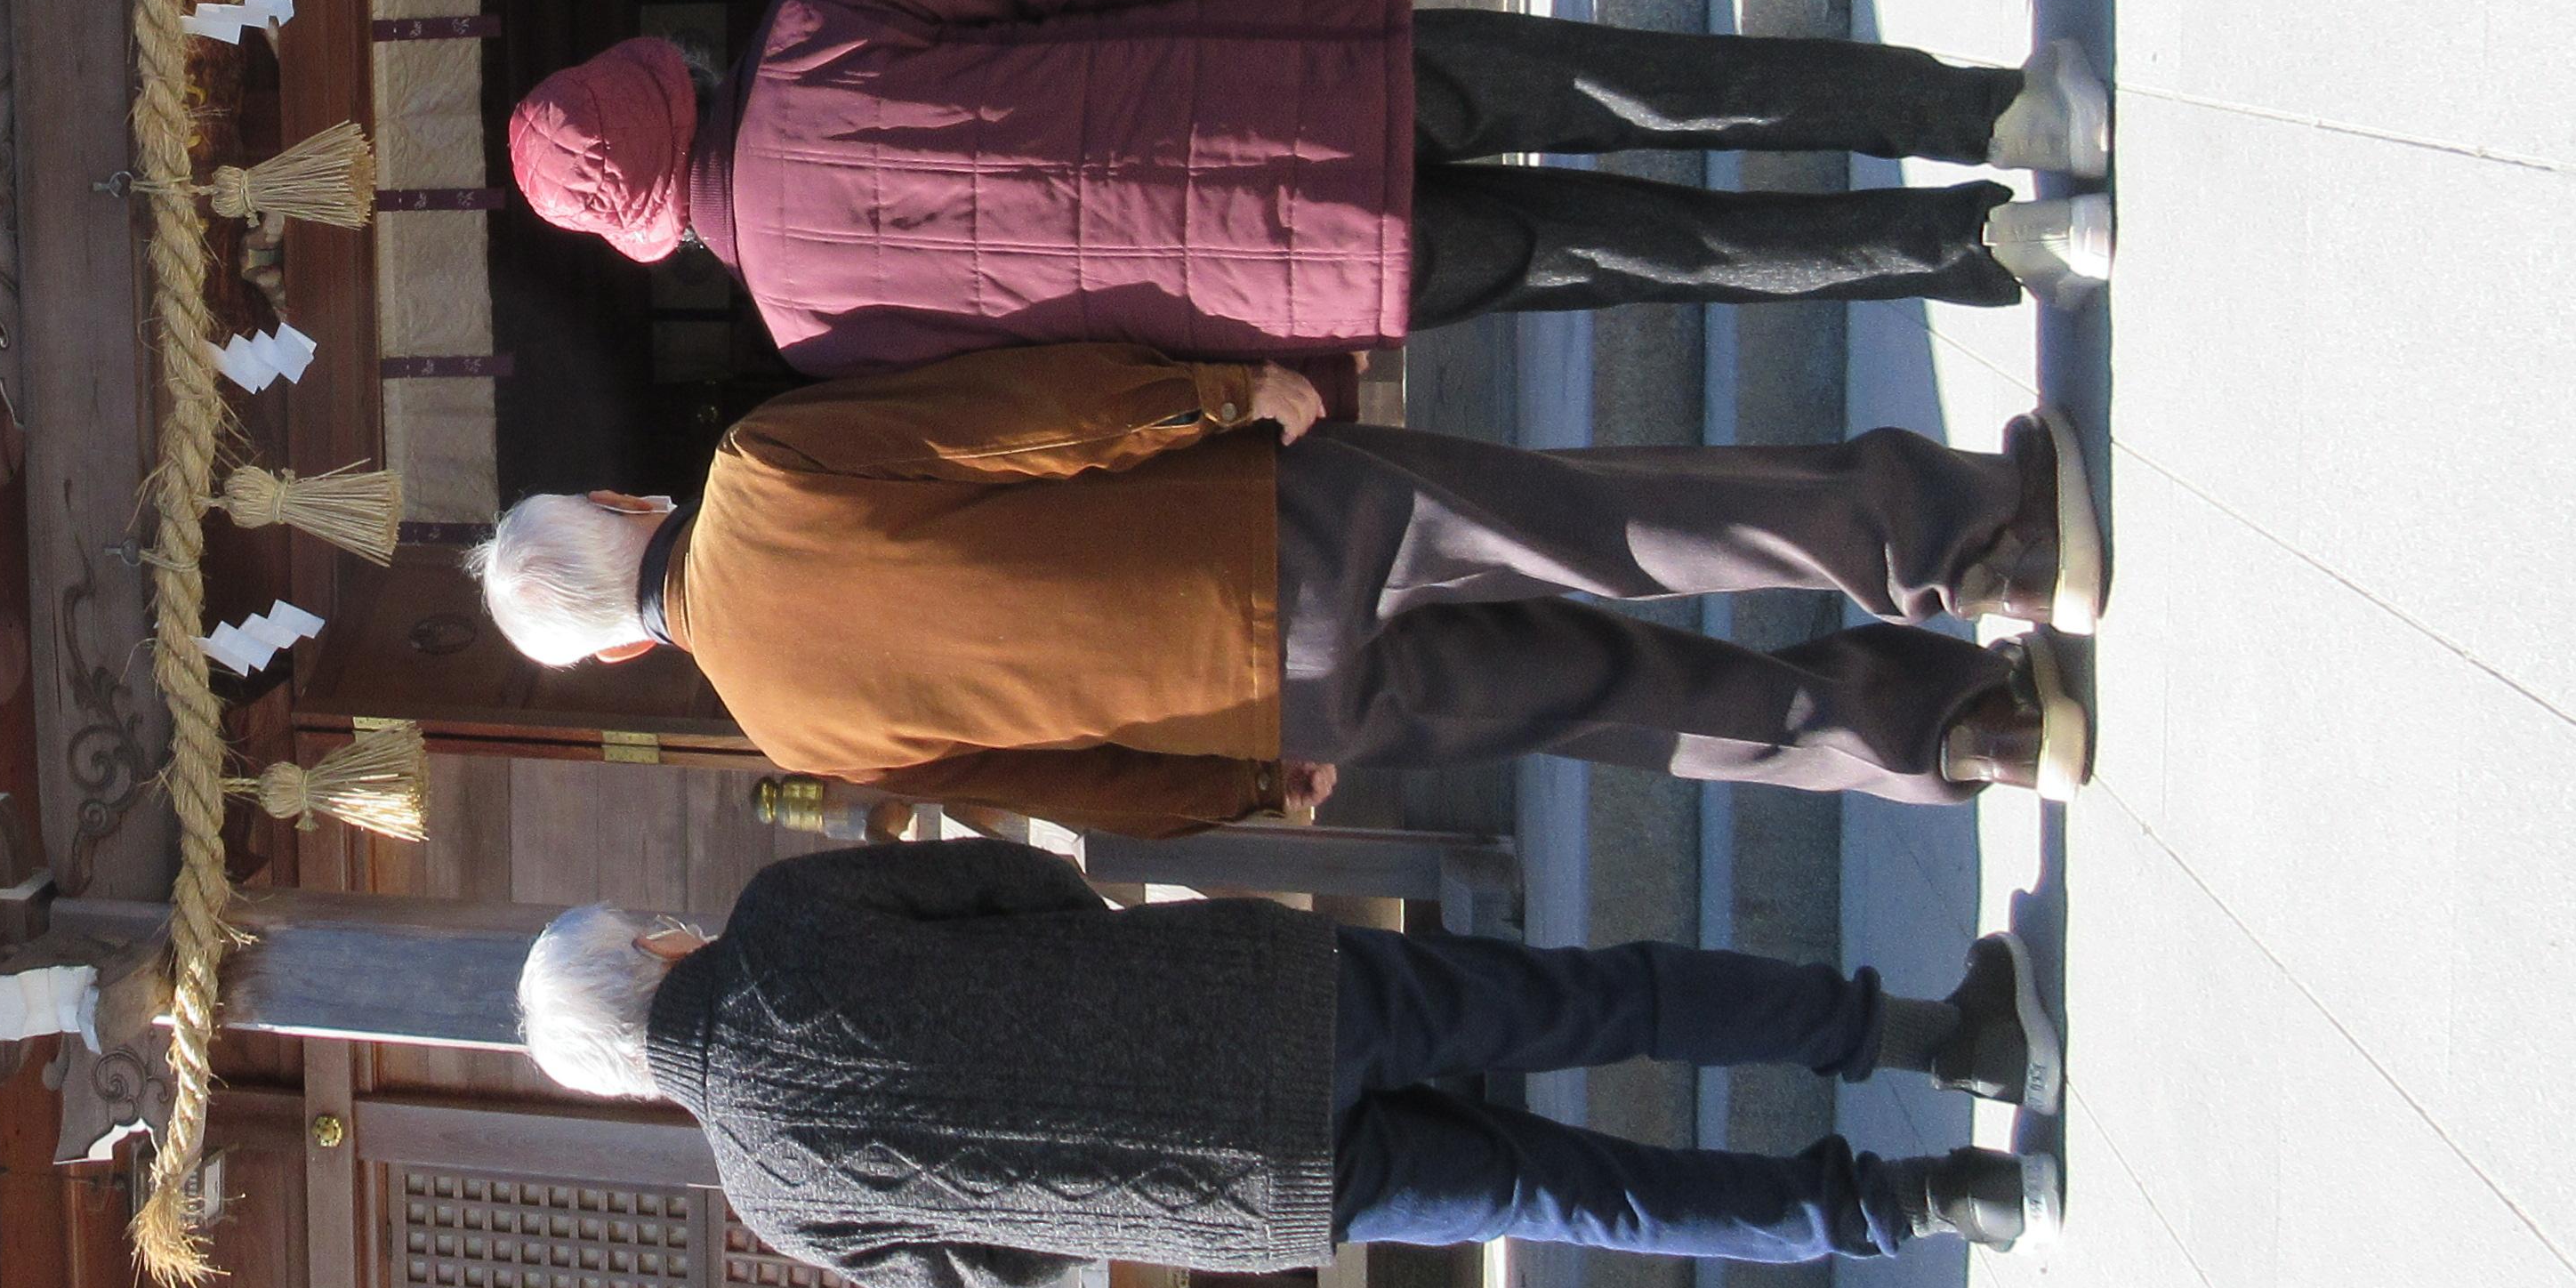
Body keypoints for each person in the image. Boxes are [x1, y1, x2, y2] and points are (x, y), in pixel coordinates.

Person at [471, 342, 2100, 826]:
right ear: (628, 504)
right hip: (1253, 532)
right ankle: (1966, 540)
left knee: (1618, 712)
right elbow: (1014, 427)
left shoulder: (790, 728)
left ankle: (1951, 741)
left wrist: (1249, 781)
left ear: (616, 660)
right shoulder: (758, 470)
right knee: (1610, 527)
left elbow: (1050, 787)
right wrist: (1205, 395)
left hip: (1273, 702)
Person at [503, 0, 2118, 356]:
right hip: (1300, 73)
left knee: (1665, 258)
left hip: (1315, 283)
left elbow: (1067, 380)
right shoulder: (815, 23)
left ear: (641, 231)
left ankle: (1986, 249)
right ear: (665, 86)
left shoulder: (811, 325)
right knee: (1663, 81)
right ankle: (1991, 107)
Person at [515, 860, 2066, 1279]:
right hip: (1252, 1003)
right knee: (1597, 1004)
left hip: (1236, 1192)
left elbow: (990, 1271)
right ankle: (1932, 1037)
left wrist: (1103, 1184)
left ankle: (1923, 1209)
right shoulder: (785, 919)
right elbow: (1025, 892)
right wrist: (1094, 985)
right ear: (649, 952)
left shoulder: (775, 1205)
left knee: (1561, 1195)